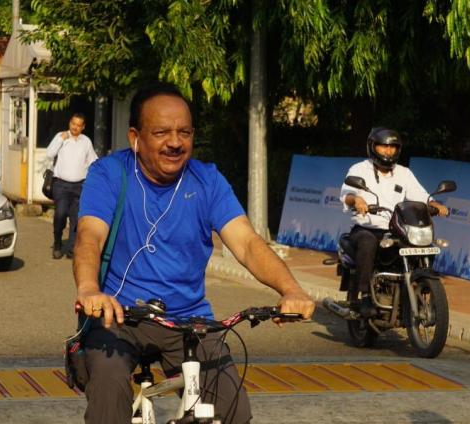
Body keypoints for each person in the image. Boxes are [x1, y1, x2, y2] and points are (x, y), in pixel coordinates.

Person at [73, 82, 316, 424]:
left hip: (189, 320)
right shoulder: (109, 174)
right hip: (120, 317)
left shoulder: (207, 181)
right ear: (135, 137)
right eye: (161, 132)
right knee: (109, 392)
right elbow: (90, 236)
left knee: (234, 411)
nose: (175, 142)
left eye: (184, 132)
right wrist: (88, 288)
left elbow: (246, 243)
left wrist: (290, 289)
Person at [340, 127, 449, 316]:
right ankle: (365, 296)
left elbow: (420, 195)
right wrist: (356, 200)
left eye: (392, 147)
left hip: (397, 229)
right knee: (367, 242)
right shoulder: (359, 169)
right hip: (367, 228)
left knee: (425, 245)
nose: (388, 151)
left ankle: (419, 288)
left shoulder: (403, 173)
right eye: (383, 146)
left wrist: (434, 204)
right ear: (373, 146)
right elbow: (346, 195)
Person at [47, 113, 98, 259]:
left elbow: (93, 161)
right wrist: (60, 140)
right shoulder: (61, 136)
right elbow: (50, 153)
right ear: (70, 123)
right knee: (60, 214)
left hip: (79, 186)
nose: (75, 127)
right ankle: (57, 242)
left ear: (83, 127)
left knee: (76, 218)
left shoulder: (86, 141)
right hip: (61, 185)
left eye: (78, 125)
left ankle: (71, 249)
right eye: (73, 124)